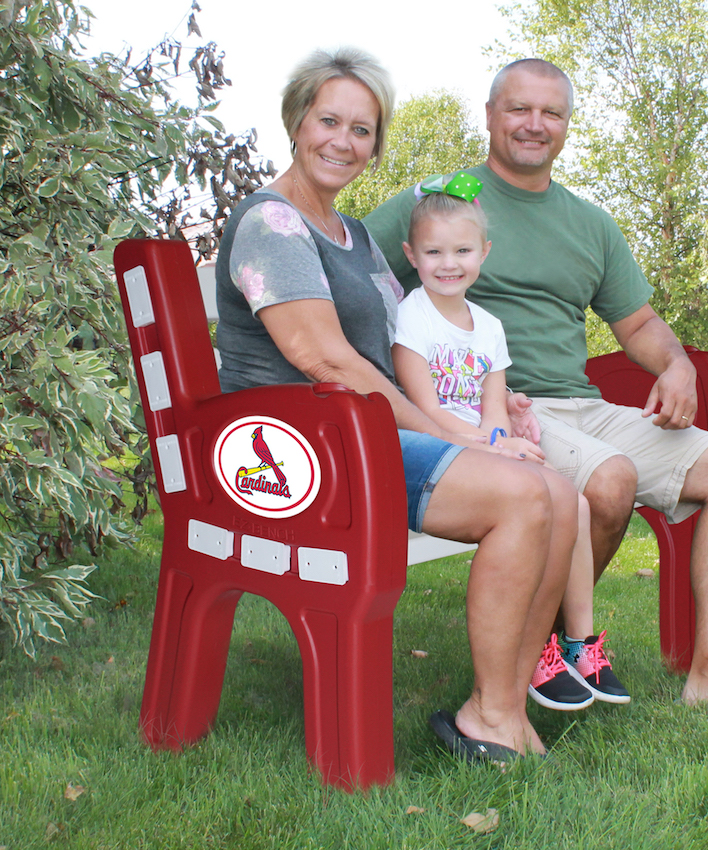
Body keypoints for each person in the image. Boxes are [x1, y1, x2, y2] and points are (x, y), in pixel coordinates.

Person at [365, 58, 708, 720]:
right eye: (519, 109)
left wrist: (676, 364)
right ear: (490, 116)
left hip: (585, 404)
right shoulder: (442, 203)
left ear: (567, 126)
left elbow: (638, 323)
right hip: (500, 408)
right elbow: (350, 269)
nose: (534, 125)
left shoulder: (589, 222)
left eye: (552, 113)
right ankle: (548, 649)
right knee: (609, 481)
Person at [215, 46, 586, 761]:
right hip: (301, 449)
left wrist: (494, 407)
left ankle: (499, 705)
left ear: (376, 144)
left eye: (362, 129)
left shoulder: (351, 235)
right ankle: (497, 715)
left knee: (559, 493)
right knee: (520, 496)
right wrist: (462, 441)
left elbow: (402, 351)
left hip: (362, 432)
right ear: (296, 121)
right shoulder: (272, 223)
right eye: (329, 120)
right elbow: (323, 358)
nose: (343, 141)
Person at [391, 174, 629, 708]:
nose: (448, 263)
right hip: (441, 447)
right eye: (433, 251)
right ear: (411, 254)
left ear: (484, 252)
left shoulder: (490, 327)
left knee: (576, 501)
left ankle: (577, 644)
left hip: (485, 444)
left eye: (462, 250)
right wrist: (494, 447)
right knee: (537, 497)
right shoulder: (412, 316)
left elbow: (493, 402)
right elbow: (424, 408)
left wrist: (503, 439)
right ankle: (532, 652)